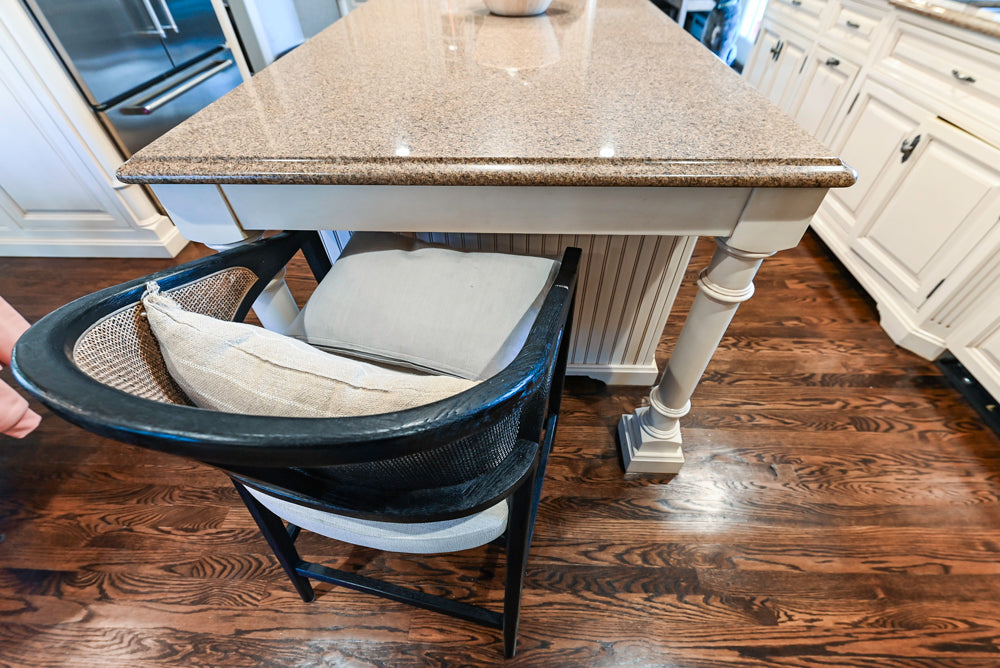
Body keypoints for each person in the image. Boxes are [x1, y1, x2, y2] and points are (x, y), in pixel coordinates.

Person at [702, 0, 741, 66]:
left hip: (729, 8)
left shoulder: (733, 15)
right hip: (719, 7)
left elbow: (725, 44)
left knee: (725, 45)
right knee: (706, 38)